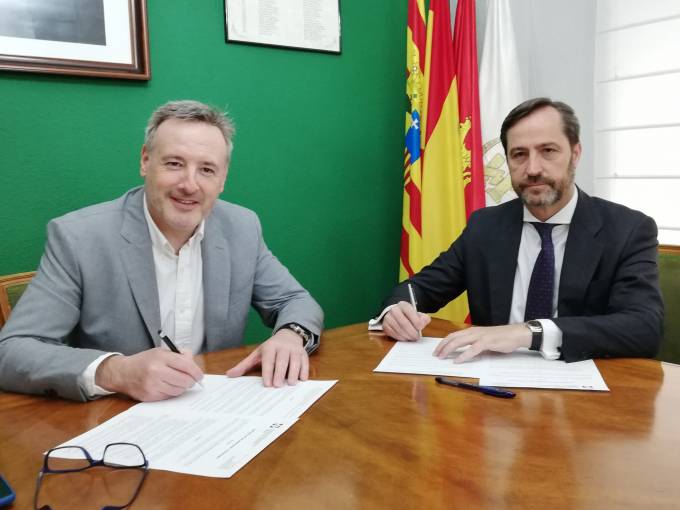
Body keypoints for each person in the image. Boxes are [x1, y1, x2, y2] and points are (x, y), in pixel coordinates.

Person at [0, 100, 323, 402]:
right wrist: (116, 371)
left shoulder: (241, 227)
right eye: (174, 163)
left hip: (216, 409)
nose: (189, 184)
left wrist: (290, 335)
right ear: (145, 161)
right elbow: (13, 350)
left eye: (207, 169)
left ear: (223, 178)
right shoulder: (79, 237)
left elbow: (294, 301)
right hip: (115, 417)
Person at [372, 97, 663, 363]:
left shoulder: (627, 229)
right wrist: (396, 310)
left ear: (575, 153)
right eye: (519, 154)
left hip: (585, 387)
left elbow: (644, 327)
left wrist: (530, 332)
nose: (533, 168)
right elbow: (420, 288)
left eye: (548, 151)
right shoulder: (485, 226)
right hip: (492, 384)